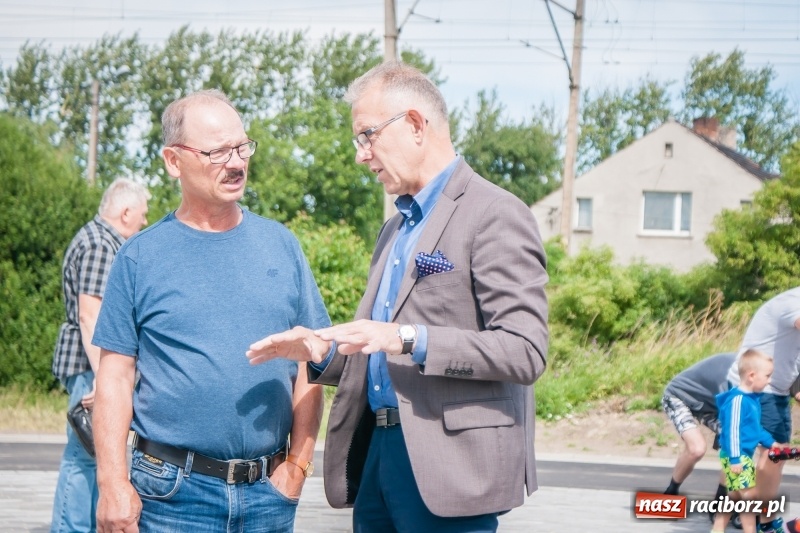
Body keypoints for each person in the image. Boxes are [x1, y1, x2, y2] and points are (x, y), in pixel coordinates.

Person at [248, 61, 549, 532]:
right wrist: (319, 350)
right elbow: (378, 345)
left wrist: (407, 337)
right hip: (379, 455)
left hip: (450, 470)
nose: (360, 155)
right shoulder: (395, 228)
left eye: (367, 135)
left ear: (414, 124)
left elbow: (525, 350)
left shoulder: (495, 213)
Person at [91, 89, 330, 533]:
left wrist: (297, 465)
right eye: (218, 151)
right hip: (170, 495)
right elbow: (115, 377)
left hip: (268, 496)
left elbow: (313, 361)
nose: (236, 162)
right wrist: (111, 483)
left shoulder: (282, 246)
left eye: (242, 147)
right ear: (173, 161)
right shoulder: (140, 256)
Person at [50, 177, 150, 533]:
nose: (144, 221)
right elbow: (90, 314)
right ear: (125, 212)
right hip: (89, 366)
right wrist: (103, 379)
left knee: (93, 456)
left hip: (89, 365)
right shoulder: (99, 245)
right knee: (84, 456)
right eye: (142, 213)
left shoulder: (98, 239)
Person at [726, 287, 800, 533]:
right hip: (754, 388)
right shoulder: (794, 302)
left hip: (776, 389)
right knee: (772, 454)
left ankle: (744, 509)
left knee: (776, 457)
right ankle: (763, 520)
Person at [713, 349, 779, 533]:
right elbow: (732, 431)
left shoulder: (751, 400)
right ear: (751, 375)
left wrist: (771, 443)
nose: (769, 380)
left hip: (742, 456)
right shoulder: (738, 401)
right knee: (750, 498)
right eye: (767, 376)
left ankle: (717, 530)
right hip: (737, 457)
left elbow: (755, 430)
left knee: (734, 497)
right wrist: (735, 459)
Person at [662, 353, 735, 499]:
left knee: (741, 444)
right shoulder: (733, 378)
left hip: (709, 403)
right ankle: (670, 492)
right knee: (697, 449)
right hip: (679, 396)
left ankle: (724, 498)